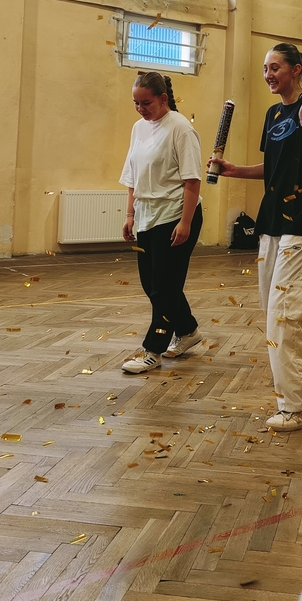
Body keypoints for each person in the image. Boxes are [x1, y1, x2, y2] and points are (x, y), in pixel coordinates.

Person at [210, 42, 302, 432]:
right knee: (276, 307)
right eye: (266, 68)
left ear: (296, 70)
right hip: (272, 221)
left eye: (275, 67)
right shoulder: (273, 113)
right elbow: (275, 166)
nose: (268, 74)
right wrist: (234, 170)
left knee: (285, 313)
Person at [120, 71, 203, 374]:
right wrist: (130, 215)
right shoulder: (138, 128)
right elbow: (133, 177)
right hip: (146, 216)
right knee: (151, 284)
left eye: (146, 103)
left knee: (164, 288)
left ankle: (152, 350)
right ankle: (188, 330)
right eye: (136, 103)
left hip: (174, 216)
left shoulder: (181, 129)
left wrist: (185, 222)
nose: (140, 109)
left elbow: (192, 181)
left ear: (163, 98)